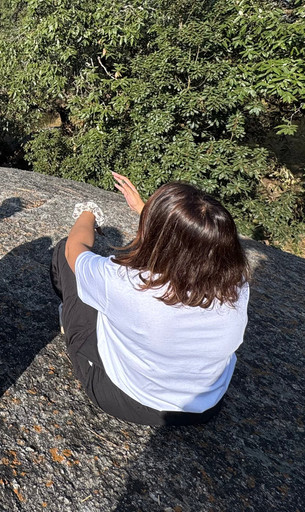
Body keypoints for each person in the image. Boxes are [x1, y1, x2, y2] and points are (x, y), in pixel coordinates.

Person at [51, 172, 250, 426]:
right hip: (206, 406)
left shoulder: (127, 282)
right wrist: (148, 213)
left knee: (65, 259)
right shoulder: (236, 284)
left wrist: (88, 212)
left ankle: (69, 319)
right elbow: (190, 245)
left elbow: (74, 248)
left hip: (127, 399)